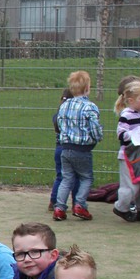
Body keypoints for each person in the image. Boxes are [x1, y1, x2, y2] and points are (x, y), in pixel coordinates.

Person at [53, 70, 103, 221]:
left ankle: (59, 208)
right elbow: (94, 127)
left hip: (65, 148)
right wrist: (97, 137)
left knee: (66, 178)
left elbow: (60, 124)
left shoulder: (64, 106)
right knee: (86, 177)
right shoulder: (90, 107)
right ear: (87, 88)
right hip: (82, 149)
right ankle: (80, 204)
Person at [113, 80, 140, 221]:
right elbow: (121, 134)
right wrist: (135, 134)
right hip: (129, 155)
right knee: (131, 186)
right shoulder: (126, 115)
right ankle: (121, 207)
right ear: (131, 100)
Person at [48, 89, 76, 212]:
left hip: (58, 149)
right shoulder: (72, 117)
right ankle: (77, 203)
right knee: (76, 176)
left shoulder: (57, 116)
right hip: (70, 148)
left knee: (60, 176)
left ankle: (53, 201)